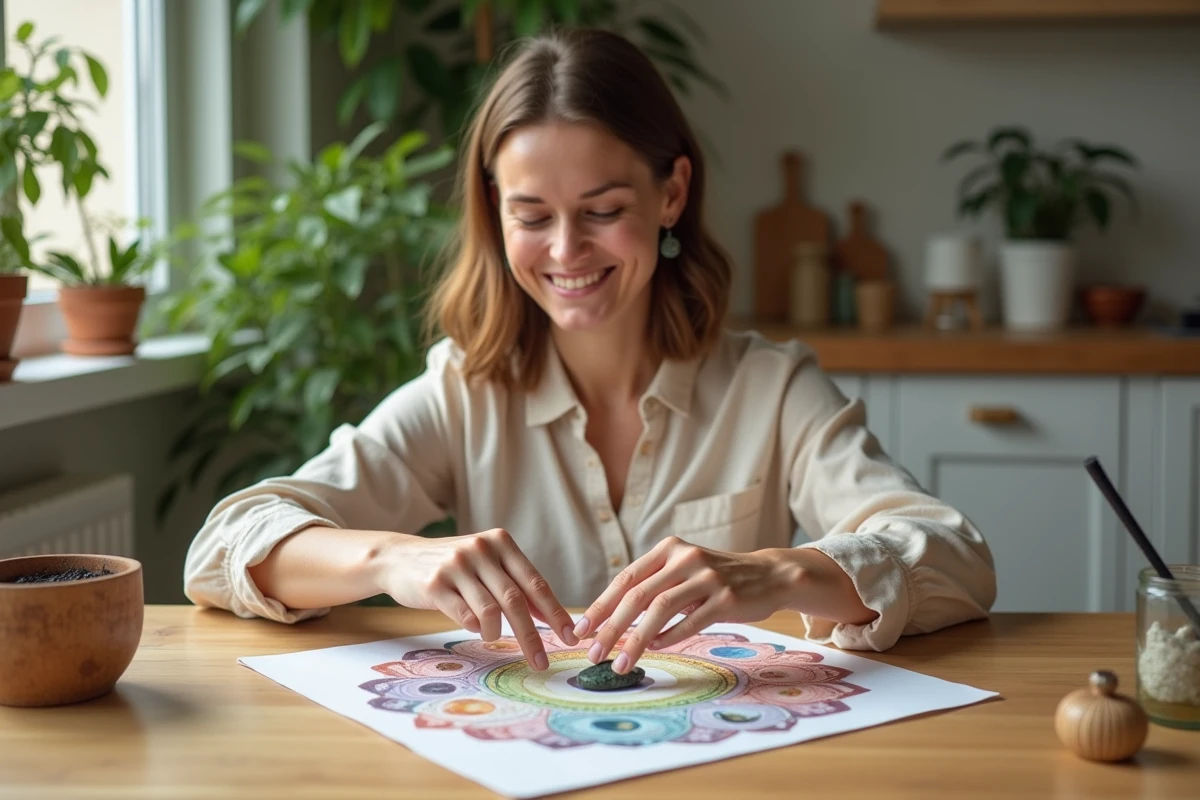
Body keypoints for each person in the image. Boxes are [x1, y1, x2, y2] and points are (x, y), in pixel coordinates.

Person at [183, 27, 995, 677]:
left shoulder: (773, 388)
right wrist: (393, 558)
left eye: (603, 209)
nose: (567, 251)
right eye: (532, 217)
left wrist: (779, 574)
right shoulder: (463, 393)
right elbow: (226, 545)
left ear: (671, 193)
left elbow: (956, 557)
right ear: (495, 211)